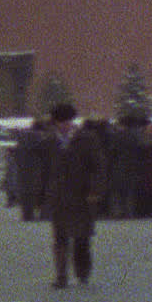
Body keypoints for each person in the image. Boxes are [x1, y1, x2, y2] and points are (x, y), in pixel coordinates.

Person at [44, 103, 105, 288]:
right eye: (60, 122)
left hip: (82, 196)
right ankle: (61, 276)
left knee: (81, 238)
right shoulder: (49, 141)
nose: (64, 125)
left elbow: (98, 167)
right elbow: (44, 170)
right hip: (59, 196)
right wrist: (43, 196)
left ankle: (82, 272)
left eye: (67, 121)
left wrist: (95, 190)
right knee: (60, 237)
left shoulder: (87, 139)